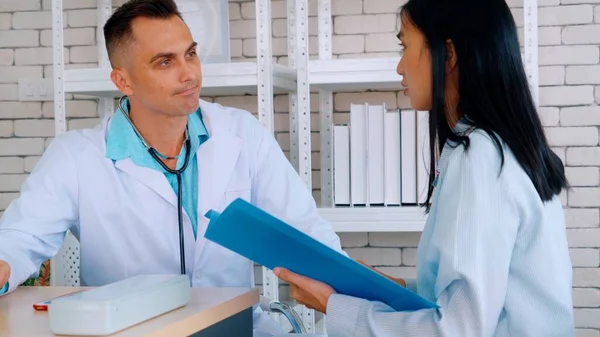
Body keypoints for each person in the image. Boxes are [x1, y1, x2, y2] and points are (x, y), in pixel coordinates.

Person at [0, 0, 345, 334]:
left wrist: (360, 298)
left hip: (235, 328)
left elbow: (304, 229)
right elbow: (21, 237)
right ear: (123, 81)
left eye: (190, 54)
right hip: (129, 331)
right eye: (165, 62)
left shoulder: (242, 134)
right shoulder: (76, 156)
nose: (189, 73)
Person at [274, 0, 575, 336]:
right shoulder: (499, 147)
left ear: (447, 55)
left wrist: (334, 306)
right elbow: (481, 294)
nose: (400, 67)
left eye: (405, 47)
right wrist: (394, 286)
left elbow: (458, 329)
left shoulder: (480, 158)